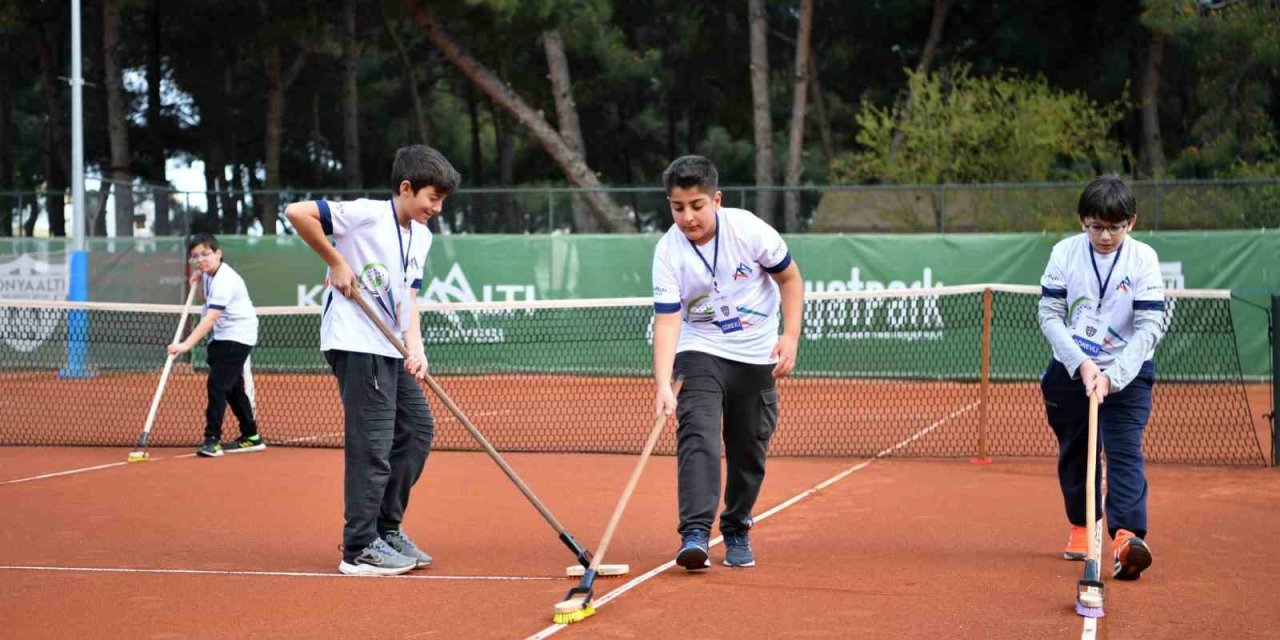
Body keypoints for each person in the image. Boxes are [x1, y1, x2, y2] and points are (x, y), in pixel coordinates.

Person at [285, 144, 460, 577]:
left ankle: (386, 527)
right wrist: (337, 261)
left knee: (417, 430)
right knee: (373, 445)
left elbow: (409, 298)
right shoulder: (364, 214)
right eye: (432, 198)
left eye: (441, 200)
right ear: (406, 187)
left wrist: (415, 347)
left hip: (391, 348)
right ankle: (359, 546)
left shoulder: (422, 235)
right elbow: (297, 212)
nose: (436, 208)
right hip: (356, 341)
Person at [651, 155, 803, 571]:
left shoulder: (750, 230)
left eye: (697, 205)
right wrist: (664, 383)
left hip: (756, 355)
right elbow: (667, 320)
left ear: (716, 200)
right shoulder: (668, 251)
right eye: (678, 207)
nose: (687, 217)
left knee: (748, 449)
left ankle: (736, 527)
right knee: (698, 435)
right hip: (700, 347)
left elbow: (790, 278)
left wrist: (789, 337)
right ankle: (695, 533)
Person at [1038, 174, 1165, 581]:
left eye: (1114, 226)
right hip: (1070, 369)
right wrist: (1082, 365)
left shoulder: (1143, 258)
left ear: (1131, 222)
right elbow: (1049, 315)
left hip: (1127, 370)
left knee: (1125, 451)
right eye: (1096, 226)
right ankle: (1082, 525)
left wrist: (1114, 376)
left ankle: (1127, 538)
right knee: (1076, 451)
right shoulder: (1064, 253)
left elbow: (1149, 326)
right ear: (1082, 222)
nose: (1105, 235)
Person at [168, 233, 263, 458]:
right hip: (222, 335)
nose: (201, 260)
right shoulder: (208, 273)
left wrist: (185, 345)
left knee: (217, 386)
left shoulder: (226, 280)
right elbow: (205, 299)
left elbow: (209, 317)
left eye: (205, 254)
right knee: (233, 388)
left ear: (218, 253)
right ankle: (251, 436)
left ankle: (212, 440)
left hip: (238, 335)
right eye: (195, 256)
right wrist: (198, 282)